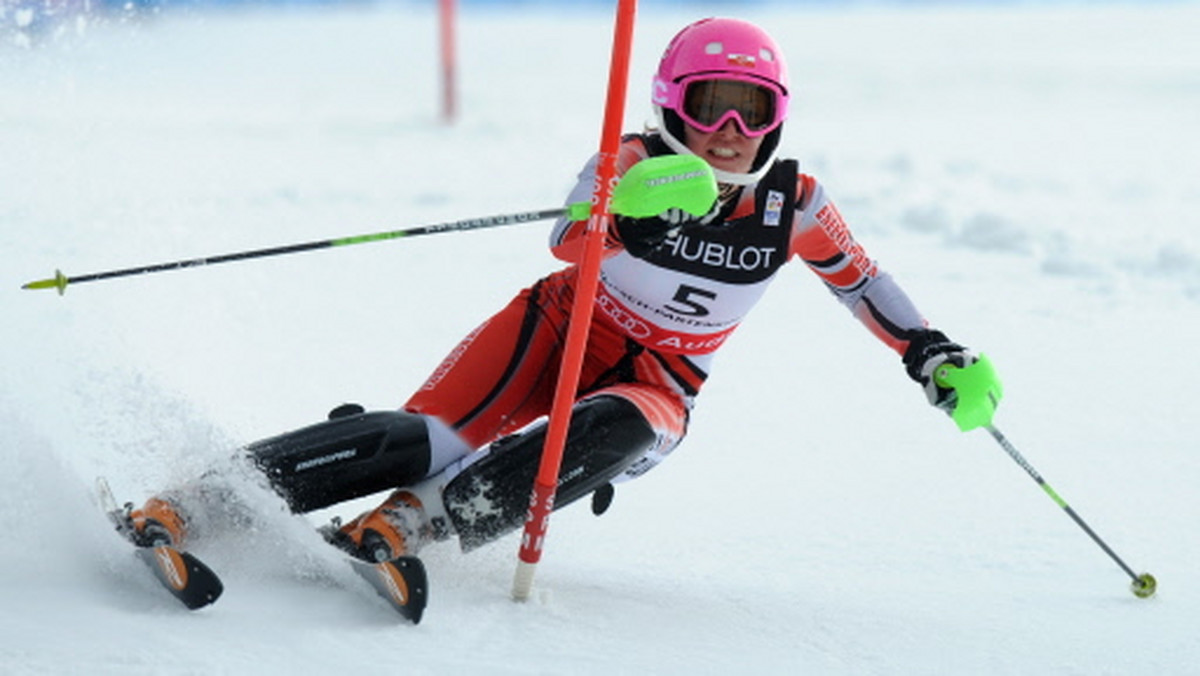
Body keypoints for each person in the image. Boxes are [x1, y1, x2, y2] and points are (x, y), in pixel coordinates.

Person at [117, 17, 996, 565]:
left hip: (660, 380)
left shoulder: (793, 205)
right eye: (710, 106)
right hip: (557, 326)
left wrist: (930, 352)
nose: (729, 133)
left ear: (778, 120)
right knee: (422, 435)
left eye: (752, 111)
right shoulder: (632, 159)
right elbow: (569, 233)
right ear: (670, 106)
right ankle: (196, 501)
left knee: (618, 428)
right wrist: (626, 224)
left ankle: (408, 526)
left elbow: (862, 283)